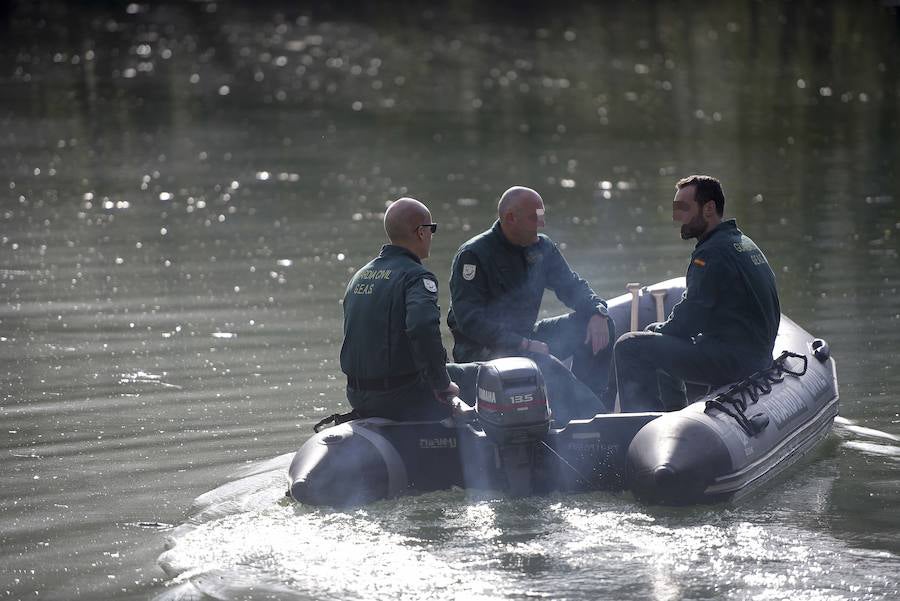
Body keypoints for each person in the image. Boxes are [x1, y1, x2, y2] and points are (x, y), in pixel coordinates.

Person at [611, 175, 781, 412]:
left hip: (735, 362)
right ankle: (673, 412)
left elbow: (689, 320)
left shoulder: (711, 254)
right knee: (656, 334)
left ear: (709, 208)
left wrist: (661, 330)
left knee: (629, 347)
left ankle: (641, 427)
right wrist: (660, 331)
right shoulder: (742, 243)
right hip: (756, 356)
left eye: (684, 208)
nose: (678, 217)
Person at [446, 186, 615, 421]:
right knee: (543, 364)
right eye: (534, 218)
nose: (541, 224)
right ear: (510, 218)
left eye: (541, 217)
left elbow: (572, 287)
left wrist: (597, 311)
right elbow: (470, 322)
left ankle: (588, 413)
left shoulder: (542, 247)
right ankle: (590, 416)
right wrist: (522, 344)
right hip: (485, 351)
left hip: (528, 340)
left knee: (599, 323)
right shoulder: (474, 255)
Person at [340, 197, 459, 420]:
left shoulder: (360, 275)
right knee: (476, 375)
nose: (431, 235)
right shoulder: (416, 276)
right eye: (431, 229)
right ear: (421, 232)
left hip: (356, 392)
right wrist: (442, 384)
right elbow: (422, 327)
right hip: (399, 395)